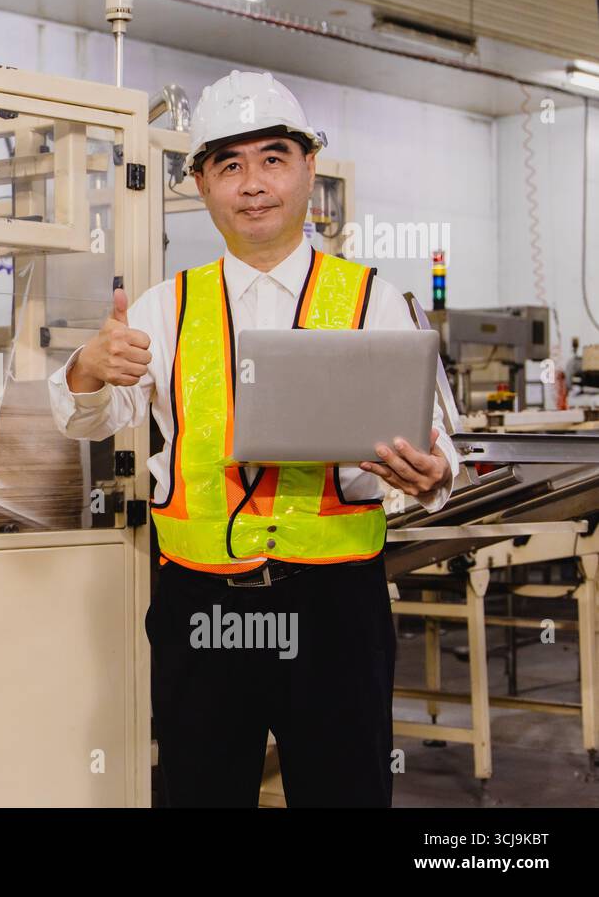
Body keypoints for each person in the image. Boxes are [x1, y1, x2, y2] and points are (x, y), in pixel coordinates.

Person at [48, 70, 459, 807]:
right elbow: (93, 418)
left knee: (347, 793)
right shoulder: (162, 308)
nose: (254, 183)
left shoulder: (376, 303)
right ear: (201, 184)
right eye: (229, 164)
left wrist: (431, 475)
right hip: (205, 607)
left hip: (336, 608)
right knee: (203, 790)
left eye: (273, 158)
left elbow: (436, 444)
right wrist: (84, 366)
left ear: (308, 170)